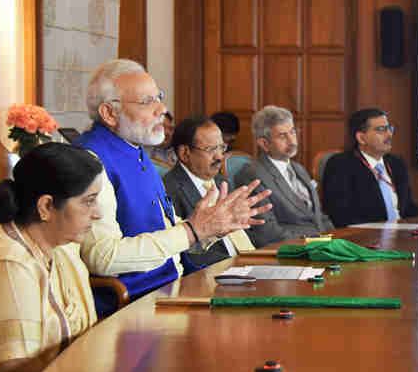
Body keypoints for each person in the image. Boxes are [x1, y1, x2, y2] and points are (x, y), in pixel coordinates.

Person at [75, 59, 271, 317]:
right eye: (147, 102)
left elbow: (168, 232)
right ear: (109, 113)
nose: (162, 109)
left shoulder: (136, 150)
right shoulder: (92, 160)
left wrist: (213, 227)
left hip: (172, 290)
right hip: (134, 307)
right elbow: (103, 257)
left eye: (159, 97)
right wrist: (193, 231)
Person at [0, 143, 103, 372]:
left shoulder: (58, 246)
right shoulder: (7, 264)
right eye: (89, 201)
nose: (98, 213)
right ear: (46, 207)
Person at [234, 106, 334, 246]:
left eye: (292, 132)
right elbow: (267, 231)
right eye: (282, 136)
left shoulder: (299, 169)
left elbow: (318, 216)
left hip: (321, 245)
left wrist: (336, 238)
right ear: (264, 143)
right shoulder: (252, 174)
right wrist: (314, 241)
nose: (292, 141)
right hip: (291, 250)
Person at [164, 116, 254, 259]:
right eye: (211, 149)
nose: (219, 157)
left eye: (221, 147)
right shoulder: (169, 189)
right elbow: (184, 253)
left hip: (249, 261)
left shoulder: (221, 181)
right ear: (185, 153)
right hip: (213, 272)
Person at [322, 108, 418, 227]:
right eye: (381, 130)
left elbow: (410, 208)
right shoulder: (340, 165)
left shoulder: (396, 163)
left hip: (402, 234)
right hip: (365, 237)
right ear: (361, 138)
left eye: (389, 128)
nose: (389, 134)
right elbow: (341, 215)